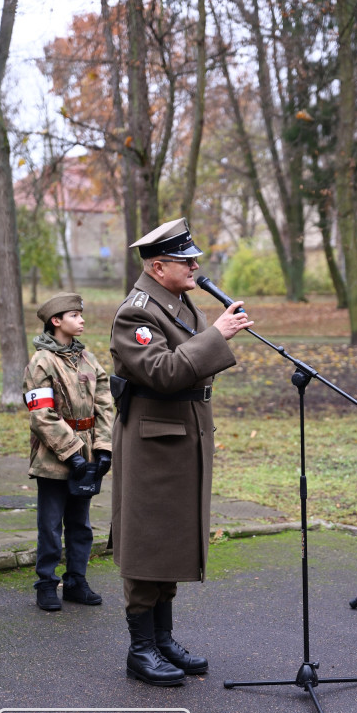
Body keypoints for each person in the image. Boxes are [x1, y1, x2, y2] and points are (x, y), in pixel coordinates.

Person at [110, 218, 253, 686]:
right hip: (153, 441)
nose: (195, 265)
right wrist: (218, 335)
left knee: (172, 535)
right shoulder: (136, 314)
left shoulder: (178, 301)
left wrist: (212, 336)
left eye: (194, 258)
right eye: (185, 260)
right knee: (147, 537)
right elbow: (165, 372)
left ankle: (164, 639)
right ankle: (141, 648)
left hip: (183, 435)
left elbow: (190, 364)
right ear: (157, 266)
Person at [23, 293, 113, 611]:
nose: (82, 320)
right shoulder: (41, 363)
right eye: (75, 315)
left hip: (86, 453)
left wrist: (102, 448)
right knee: (50, 524)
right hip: (52, 456)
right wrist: (71, 452)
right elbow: (41, 414)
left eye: (81, 314)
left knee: (81, 523)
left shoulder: (88, 360)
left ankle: (76, 580)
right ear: (56, 321)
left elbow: (104, 402)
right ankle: (46, 584)